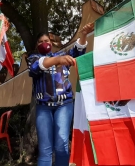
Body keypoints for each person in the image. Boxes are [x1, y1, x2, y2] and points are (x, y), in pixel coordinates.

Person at [27, 23, 94, 166]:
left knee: (61, 146)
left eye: (47, 41)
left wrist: (83, 34)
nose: (44, 44)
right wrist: (57, 61)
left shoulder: (61, 55)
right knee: (45, 150)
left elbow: (77, 51)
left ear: (51, 43)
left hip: (64, 106)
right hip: (43, 108)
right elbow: (35, 68)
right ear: (36, 45)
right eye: (40, 42)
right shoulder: (33, 58)